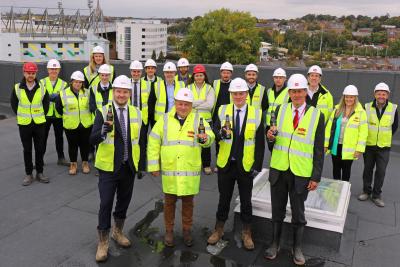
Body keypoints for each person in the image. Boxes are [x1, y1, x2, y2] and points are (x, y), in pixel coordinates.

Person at [265, 74, 325, 265]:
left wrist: (316, 176)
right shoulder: (279, 110)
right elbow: (271, 140)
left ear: (306, 92)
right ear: (289, 93)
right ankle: (275, 243)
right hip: (279, 169)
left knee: (298, 213)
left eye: (300, 91)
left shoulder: (317, 115)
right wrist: (270, 137)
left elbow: (318, 149)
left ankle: (297, 247)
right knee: (277, 210)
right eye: (293, 91)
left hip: (301, 172)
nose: (297, 94)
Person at [147, 88, 215, 247]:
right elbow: (153, 143)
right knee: (169, 203)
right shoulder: (164, 120)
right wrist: (153, 165)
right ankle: (169, 231)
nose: (183, 107)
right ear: (175, 104)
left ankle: (186, 230)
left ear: (191, 105)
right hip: (170, 171)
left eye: (186, 104)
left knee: (188, 203)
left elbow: (210, 137)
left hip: (189, 171)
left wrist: (205, 139)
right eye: (180, 104)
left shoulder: (199, 119)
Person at [90, 75, 145, 262]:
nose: (122, 95)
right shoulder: (103, 111)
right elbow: (92, 139)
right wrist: (103, 131)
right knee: (105, 203)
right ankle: (103, 241)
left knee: (123, 202)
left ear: (130, 93)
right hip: (108, 168)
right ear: (114, 92)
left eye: (125, 91)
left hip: (128, 166)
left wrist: (141, 166)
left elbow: (141, 141)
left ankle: (117, 232)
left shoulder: (137, 113)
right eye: (119, 91)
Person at [207, 78, 264, 251]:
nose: (238, 97)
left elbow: (260, 143)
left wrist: (257, 166)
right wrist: (219, 133)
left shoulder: (257, 113)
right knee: (223, 199)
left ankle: (247, 233)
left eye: (241, 93)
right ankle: (218, 229)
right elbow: (215, 130)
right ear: (231, 94)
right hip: (226, 164)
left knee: (246, 201)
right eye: (235, 94)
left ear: (246, 94)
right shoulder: (223, 110)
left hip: (245, 166)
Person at [358, 82, 398, 207]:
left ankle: (376, 195)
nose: (381, 96)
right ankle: (366, 191)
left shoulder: (393, 108)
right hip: (369, 146)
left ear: (387, 95)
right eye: (379, 93)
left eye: (384, 94)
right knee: (368, 170)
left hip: (384, 147)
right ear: (375, 94)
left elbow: (395, 126)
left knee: (381, 171)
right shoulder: (367, 107)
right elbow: (363, 125)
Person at [10, 62, 50, 185]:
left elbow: (46, 104)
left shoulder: (42, 87)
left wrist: (40, 115)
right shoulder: (17, 87)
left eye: (33, 73)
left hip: (39, 124)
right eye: (28, 73)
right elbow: (14, 104)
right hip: (24, 124)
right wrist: (22, 115)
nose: (30, 75)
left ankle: (39, 172)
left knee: (39, 149)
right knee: (27, 149)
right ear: (24, 73)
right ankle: (29, 174)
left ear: (35, 73)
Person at [325, 85, 368, 181]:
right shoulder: (337, 110)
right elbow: (329, 128)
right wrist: (325, 144)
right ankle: (336, 191)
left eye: (351, 97)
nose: (349, 99)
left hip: (350, 148)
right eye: (347, 97)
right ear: (343, 97)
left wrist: (359, 149)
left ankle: (344, 192)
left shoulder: (361, 112)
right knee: (336, 169)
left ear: (355, 98)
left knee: (346, 171)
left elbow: (363, 132)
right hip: (336, 146)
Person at [56, 71, 93, 175]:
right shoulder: (63, 93)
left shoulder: (87, 92)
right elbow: (58, 108)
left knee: (85, 145)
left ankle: (85, 163)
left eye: (80, 82)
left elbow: (91, 106)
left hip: (85, 124)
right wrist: (68, 117)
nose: (78, 84)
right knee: (72, 145)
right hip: (70, 125)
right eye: (76, 82)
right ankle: (73, 164)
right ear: (71, 82)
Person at [187, 64, 216, 175]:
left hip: (205, 120)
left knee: (205, 142)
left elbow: (210, 105)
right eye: (197, 75)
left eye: (201, 75)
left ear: (204, 76)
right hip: (192, 119)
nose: (199, 77)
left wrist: (194, 104)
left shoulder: (209, 88)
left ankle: (206, 165)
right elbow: (188, 103)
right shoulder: (188, 87)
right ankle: (192, 164)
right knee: (191, 141)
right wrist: (202, 100)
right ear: (193, 76)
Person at [41, 59, 68, 166]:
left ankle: (61, 158)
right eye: (52, 69)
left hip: (58, 115)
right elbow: (40, 98)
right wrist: (55, 97)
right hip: (45, 115)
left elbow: (64, 98)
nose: (53, 71)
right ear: (48, 70)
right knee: (42, 138)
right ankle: (40, 159)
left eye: (56, 69)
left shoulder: (64, 84)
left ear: (59, 70)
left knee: (59, 138)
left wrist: (51, 97)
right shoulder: (42, 82)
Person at [129, 60, 152, 172]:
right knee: (129, 142)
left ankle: (141, 166)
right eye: (134, 71)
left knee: (142, 143)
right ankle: (130, 164)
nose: (136, 74)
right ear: (131, 72)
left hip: (142, 118)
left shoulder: (147, 85)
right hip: (129, 118)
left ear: (141, 72)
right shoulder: (126, 84)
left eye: (138, 72)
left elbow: (151, 102)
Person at [212, 62, 234, 173]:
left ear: (231, 74)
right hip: (217, 116)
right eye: (224, 72)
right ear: (221, 73)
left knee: (230, 140)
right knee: (218, 139)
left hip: (230, 116)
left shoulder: (234, 84)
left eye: (228, 73)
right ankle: (219, 162)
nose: (226, 75)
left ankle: (229, 162)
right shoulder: (215, 83)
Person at [148, 62, 185, 126]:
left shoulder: (181, 85)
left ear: (175, 73)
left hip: (176, 118)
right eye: (167, 72)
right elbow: (151, 103)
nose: (169, 74)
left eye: (171, 72)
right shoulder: (156, 85)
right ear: (164, 73)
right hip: (160, 119)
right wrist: (152, 120)